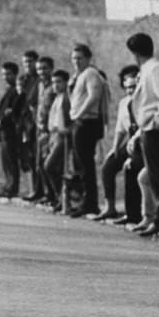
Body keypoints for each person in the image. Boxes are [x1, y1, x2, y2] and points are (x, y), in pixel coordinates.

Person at [126, 33, 159, 236]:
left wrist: (158, 119)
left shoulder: (155, 69)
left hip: (154, 129)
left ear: (136, 53)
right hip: (146, 128)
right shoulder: (146, 69)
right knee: (154, 173)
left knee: (158, 173)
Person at [94, 65, 142, 223]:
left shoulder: (144, 101)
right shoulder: (124, 103)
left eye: (133, 86)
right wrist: (114, 149)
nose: (130, 90)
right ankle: (110, 207)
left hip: (142, 139)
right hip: (129, 139)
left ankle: (133, 214)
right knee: (108, 167)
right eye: (127, 87)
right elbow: (121, 129)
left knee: (131, 170)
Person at [67, 43, 108, 217]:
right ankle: (83, 201)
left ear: (88, 58)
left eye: (80, 58)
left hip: (87, 122)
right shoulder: (79, 76)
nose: (76, 62)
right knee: (79, 164)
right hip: (79, 122)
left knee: (85, 165)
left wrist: (78, 113)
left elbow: (94, 96)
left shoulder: (91, 74)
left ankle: (90, 203)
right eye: (73, 58)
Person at [0, 62, 24, 198]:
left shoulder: (16, 90)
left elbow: (12, 111)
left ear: (15, 74)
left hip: (11, 130)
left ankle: (12, 187)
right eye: (4, 74)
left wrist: (2, 120)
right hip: (3, 131)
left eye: (8, 74)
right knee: (5, 160)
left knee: (11, 160)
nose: (5, 77)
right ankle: (8, 185)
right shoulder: (9, 90)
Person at [42, 70, 71, 209]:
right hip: (53, 135)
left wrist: (66, 131)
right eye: (54, 82)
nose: (56, 85)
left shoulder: (67, 98)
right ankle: (60, 198)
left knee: (50, 165)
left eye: (59, 82)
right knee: (54, 168)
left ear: (65, 82)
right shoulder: (57, 98)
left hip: (62, 135)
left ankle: (62, 197)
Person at [18, 50, 42, 199]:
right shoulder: (23, 80)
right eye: (25, 62)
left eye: (30, 62)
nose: (27, 65)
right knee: (27, 157)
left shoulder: (39, 80)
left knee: (37, 156)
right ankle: (32, 188)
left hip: (35, 121)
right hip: (24, 121)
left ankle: (39, 190)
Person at [33, 57, 57, 204]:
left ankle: (54, 196)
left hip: (50, 131)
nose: (41, 72)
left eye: (44, 68)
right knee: (39, 163)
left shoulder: (54, 86)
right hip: (40, 129)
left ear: (51, 69)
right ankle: (47, 194)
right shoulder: (40, 85)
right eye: (39, 69)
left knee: (49, 163)